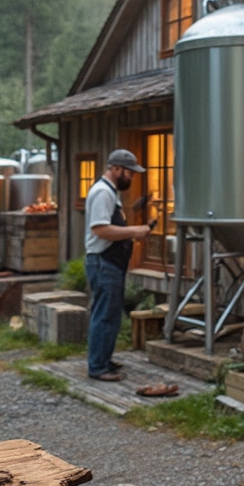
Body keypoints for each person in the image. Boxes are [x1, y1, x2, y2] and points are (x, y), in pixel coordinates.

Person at [83, 149, 152, 382]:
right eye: (129, 173)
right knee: (104, 316)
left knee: (109, 315)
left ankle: (103, 359)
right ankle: (98, 367)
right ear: (116, 169)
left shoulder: (110, 192)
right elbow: (100, 229)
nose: (131, 178)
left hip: (108, 262)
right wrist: (136, 231)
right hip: (104, 262)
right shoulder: (103, 193)